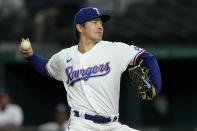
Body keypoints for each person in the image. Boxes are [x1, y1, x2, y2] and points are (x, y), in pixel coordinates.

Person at [19, 7, 162, 131]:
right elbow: (45, 67)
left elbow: (148, 58)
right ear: (80, 27)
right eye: (94, 22)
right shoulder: (64, 57)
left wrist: (156, 87)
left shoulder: (115, 49)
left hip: (112, 125)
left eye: (101, 23)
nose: (100, 26)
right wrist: (31, 56)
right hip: (81, 124)